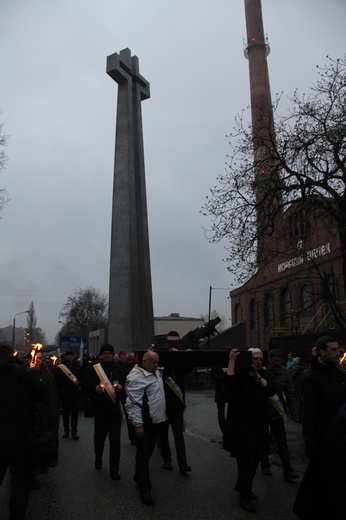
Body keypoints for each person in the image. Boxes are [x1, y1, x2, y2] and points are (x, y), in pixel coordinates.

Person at [293, 336, 346, 520]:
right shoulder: (311, 377)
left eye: (338, 349)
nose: (337, 352)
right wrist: (311, 441)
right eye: (333, 349)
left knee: (319, 477)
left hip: (339, 435)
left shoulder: (340, 375)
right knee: (330, 479)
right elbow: (308, 412)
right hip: (324, 438)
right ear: (322, 352)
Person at [0, 342, 49, 520]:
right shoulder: (23, 372)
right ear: (12, 354)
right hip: (19, 436)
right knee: (20, 484)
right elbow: (43, 394)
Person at [223, 347, 275, 514]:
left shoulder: (263, 375)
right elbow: (228, 385)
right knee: (245, 461)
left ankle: (243, 487)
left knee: (256, 459)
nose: (258, 362)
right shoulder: (239, 373)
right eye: (255, 359)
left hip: (258, 424)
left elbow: (271, 390)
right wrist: (232, 361)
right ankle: (244, 495)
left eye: (260, 359)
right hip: (241, 426)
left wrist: (257, 376)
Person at [125, 349, 166, 506]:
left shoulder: (156, 372)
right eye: (154, 362)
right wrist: (138, 425)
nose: (157, 365)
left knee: (146, 452)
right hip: (144, 422)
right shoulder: (136, 378)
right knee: (143, 454)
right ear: (144, 362)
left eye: (158, 362)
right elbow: (133, 403)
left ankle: (138, 476)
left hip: (155, 421)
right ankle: (145, 490)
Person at [83, 344, 125, 480]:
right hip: (100, 410)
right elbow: (85, 384)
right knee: (99, 439)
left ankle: (114, 469)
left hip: (114, 411)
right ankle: (98, 458)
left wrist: (121, 388)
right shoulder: (93, 369)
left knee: (115, 440)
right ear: (100, 355)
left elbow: (127, 386)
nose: (107, 355)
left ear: (113, 355)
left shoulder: (119, 369)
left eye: (109, 353)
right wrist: (94, 387)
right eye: (104, 353)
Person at [261, 348, 300, 480]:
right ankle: (265, 464)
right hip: (263, 411)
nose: (277, 363)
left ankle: (287, 470)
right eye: (275, 360)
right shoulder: (262, 372)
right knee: (264, 440)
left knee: (282, 442)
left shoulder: (285, 373)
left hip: (277, 411)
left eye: (279, 361)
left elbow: (290, 394)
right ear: (269, 359)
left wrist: (295, 414)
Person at [158, 347, 192, 473]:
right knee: (163, 436)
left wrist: (187, 356)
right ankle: (167, 460)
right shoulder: (161, 369)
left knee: (179, 435)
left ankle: (183, 463)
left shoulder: (180, 368)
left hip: (177, 407)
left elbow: (189, 368)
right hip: (163, 407)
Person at [120, 352, 136, 444]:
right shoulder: (123, 370)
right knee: (130, 417)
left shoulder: (138, 369)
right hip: (127, 396)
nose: (131, 361)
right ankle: (132, 437)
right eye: (130, 360)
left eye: (133, 360)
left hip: (137, 395)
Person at [210, 365, 229, 438]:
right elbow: (212, 376)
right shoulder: (216, 364)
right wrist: (222, 377)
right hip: (220, 391)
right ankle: (224, 431)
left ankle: (231, 429)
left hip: (229, 390)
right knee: (221, 413)